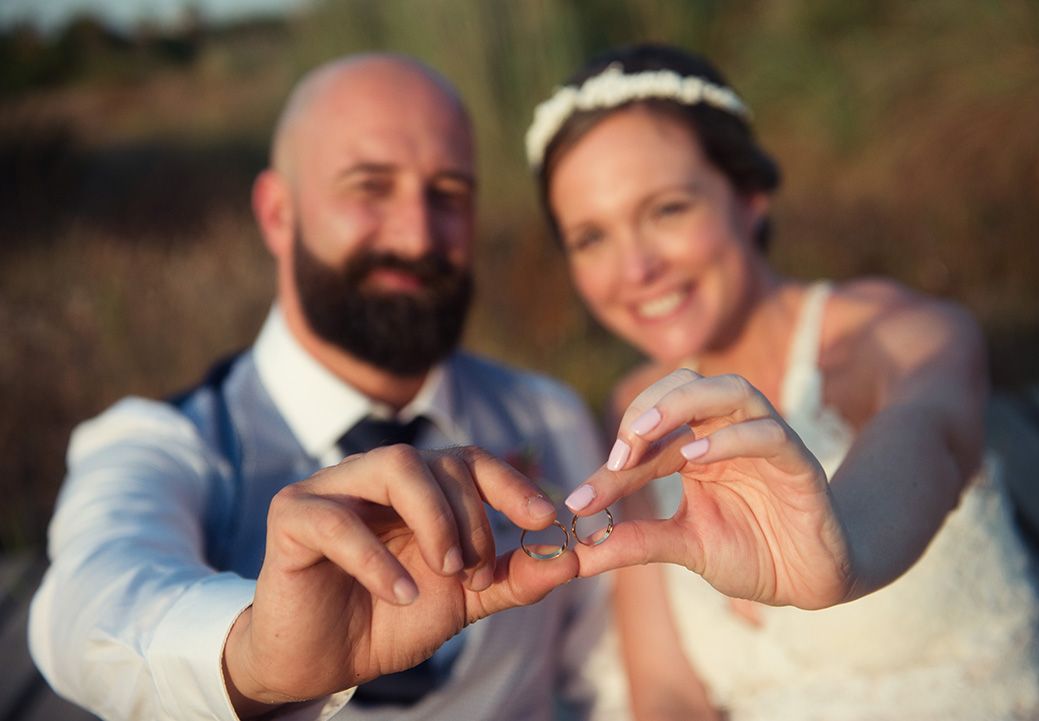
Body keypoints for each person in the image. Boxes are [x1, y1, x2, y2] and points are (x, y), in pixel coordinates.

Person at [28, 53, 609, 721]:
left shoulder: (550, 414)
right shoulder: (165, 441)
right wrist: (254, 655)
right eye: (370, 187)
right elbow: (89, 599)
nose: (417, 233)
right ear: (278, 213)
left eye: (448, 194)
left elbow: (602, 667)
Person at [526, 43, 1039, 721]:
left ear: (750, 196)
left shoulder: (902, 338)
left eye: (666, 209)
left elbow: (924, 439)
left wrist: (843, 549)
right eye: (591, 238)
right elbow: (666, 692)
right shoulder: (637, 408)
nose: (634, 268)